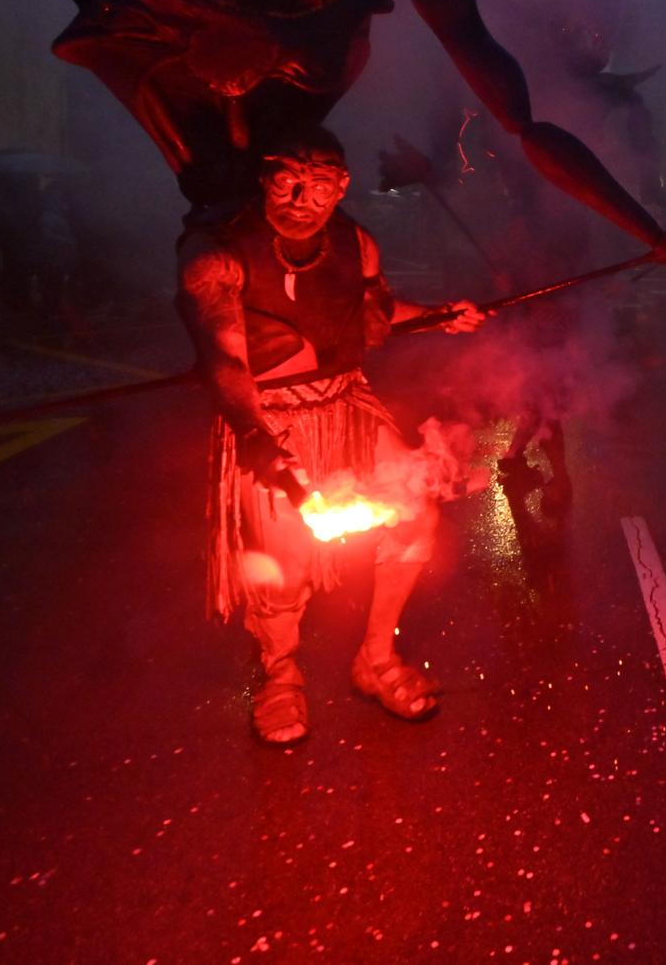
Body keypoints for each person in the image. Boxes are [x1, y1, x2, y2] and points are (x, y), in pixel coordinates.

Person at [177, 127, 489, 746]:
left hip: (347, 399)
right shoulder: (217, 254)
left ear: (340, 186)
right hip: (268, 414)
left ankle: (374, 659)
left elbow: (374, 314)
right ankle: (280, 674)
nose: (302, 197)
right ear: (265, 176)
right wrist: (254, 435)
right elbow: (226, 360)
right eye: (289, 180)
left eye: (320, 185)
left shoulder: (356, 242)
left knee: (414, 518)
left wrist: (437, 316)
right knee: (285, 563)